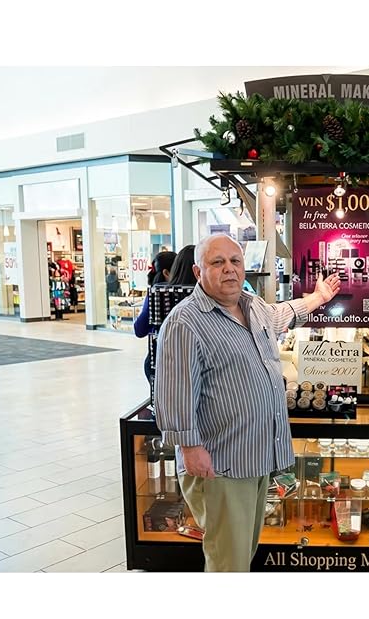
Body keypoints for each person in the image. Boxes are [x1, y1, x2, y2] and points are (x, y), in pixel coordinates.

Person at [154, 234, 341, 572]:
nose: (229, 269)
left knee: (243, 551)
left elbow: (282, 314)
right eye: (217, 262)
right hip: (221, 464)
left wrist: (318, 297)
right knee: (228, 559)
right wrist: (190, 448)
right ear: (198, 272)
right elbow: (174, 392)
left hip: (255, 457)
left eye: (235, 261)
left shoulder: (252, 306)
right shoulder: (185, 322)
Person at [134, 250, 177, 381]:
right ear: (166, 273)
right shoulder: (182, 293)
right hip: (168, 362)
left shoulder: (154, 293)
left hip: (156, 360)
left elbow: (139, 329)